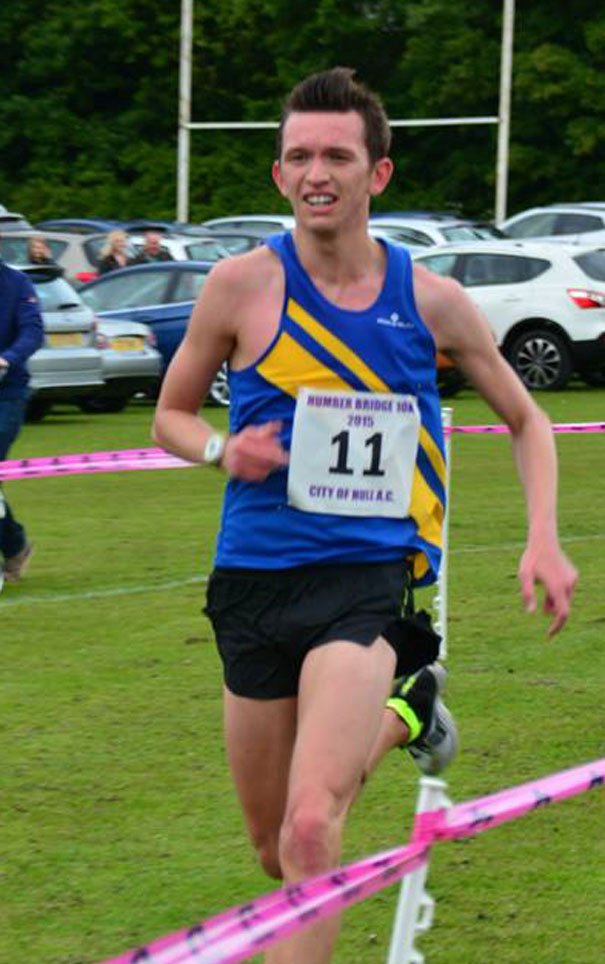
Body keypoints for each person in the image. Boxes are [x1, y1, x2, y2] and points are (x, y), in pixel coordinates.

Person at [152, 67, 577, 964]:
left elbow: (527, 419)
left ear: (375, 174)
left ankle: (398, 687)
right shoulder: (239, 285)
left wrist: (543, 537)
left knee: (313, 831)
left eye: (337, 155)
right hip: (253, 585)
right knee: (274, 850)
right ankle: (410, 712)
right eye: (298, 155)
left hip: (366, 582)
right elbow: (169, 416)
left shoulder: (429, 301)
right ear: (277, 175)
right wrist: (226, 452)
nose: (317, 172)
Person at [0, 259, 45, 591]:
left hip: (7, 393)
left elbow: (32, 330)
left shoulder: (16, 283)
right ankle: (15, 544)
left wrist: (8, 358)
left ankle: (14, 545)